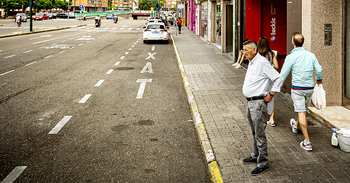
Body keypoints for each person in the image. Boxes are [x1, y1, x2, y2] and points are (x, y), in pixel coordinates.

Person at [241, 40, 283, 176]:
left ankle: (263, 163)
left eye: (246, 50)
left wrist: (271, 94)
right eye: (243, 50)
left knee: (259, 134)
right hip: (250, 102)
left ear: (254, 50)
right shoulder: (252, 62)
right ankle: (255, 155)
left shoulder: (262, 62)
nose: (244, 52)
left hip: (258, 103)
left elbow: (278, 78)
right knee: (254, 132)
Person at [280, 32, 323, 151]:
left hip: (298, 89)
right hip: (309, 88)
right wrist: (319, 80)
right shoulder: (311, 55)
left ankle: (307, 142)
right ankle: (295, 125)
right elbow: (319, 69)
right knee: (302, 109)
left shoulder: (291, 57)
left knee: (302, 112)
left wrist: (277, 85)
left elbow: (283, 74)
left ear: (293, 43)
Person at [257, 37, 279, 127]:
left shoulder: (258, 54)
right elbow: (276, 66)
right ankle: (272, 119)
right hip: (270, 79)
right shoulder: (271, 54)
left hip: (261, 79)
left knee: (260, 96)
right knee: (271, 98)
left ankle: (261, 117)